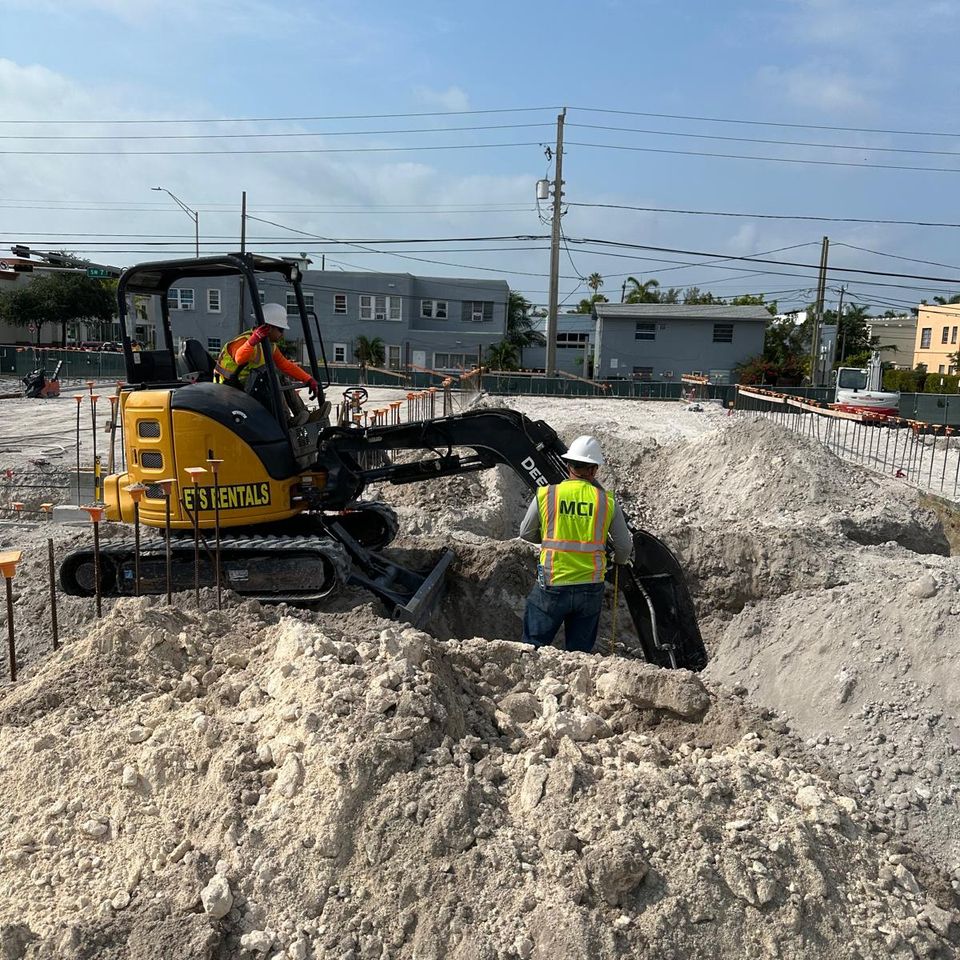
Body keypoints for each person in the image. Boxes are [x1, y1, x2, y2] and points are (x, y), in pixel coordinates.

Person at [518, 435, 633, 653]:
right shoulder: (606, 501)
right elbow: (624, 547)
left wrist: (548, 540)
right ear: (594, 470)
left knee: (532, 649)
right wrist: (618, 561)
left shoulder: (546, 494)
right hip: (590, 587)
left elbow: (525, 532)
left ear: (568, 465)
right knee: (580, 656)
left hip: (553, 582)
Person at [214, 302, 322, 402]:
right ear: (268, 328)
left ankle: (300, 414)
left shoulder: (269, 346)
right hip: (229, 388)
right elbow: (239, 359)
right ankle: (286, 418)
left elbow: (285, 365)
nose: (282, 334)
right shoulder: (245, 341)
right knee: (274, 380)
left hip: (249, 386)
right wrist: (252, 341)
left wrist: (308, 379)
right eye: (280, 330)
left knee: (281, 379)